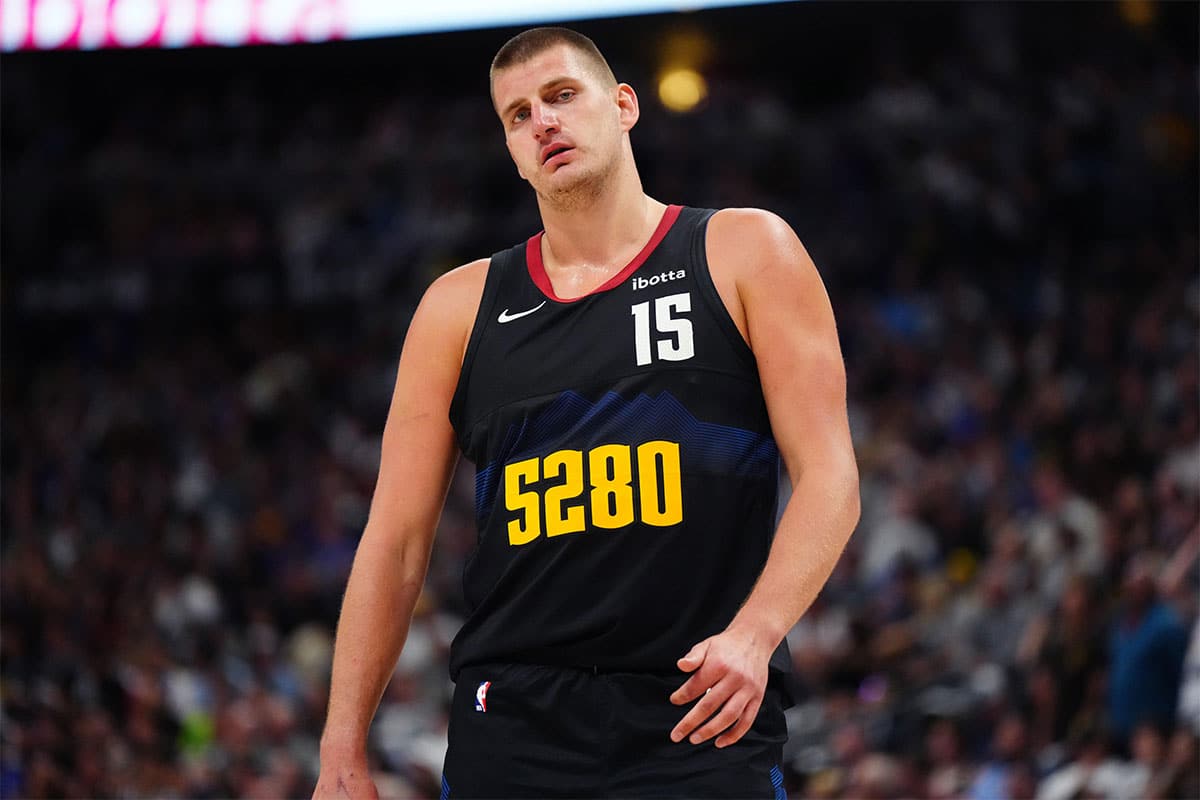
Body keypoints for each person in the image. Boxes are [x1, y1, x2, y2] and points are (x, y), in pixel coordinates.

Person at [313, 27, 860, 798]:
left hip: (698, 710)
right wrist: (341, 748)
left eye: (561, 96)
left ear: (624, 105)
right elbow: (397, 543)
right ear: (509, 147)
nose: (543, 122)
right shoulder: (457, 308)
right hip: (512, 723)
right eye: (517, 114)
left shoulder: (745, 251)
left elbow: (830, 475)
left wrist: (756, 634)